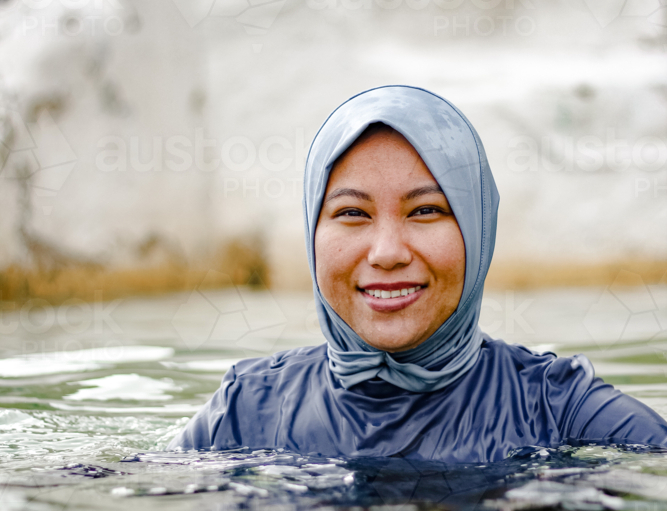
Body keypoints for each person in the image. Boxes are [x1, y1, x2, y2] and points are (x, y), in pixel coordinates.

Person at [170, 86, 667, 463]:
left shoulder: (557, 409)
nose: (387, 253)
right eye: (352, 214)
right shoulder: (248, 409)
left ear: (477, 228)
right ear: (312, 231)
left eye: (426, 211)